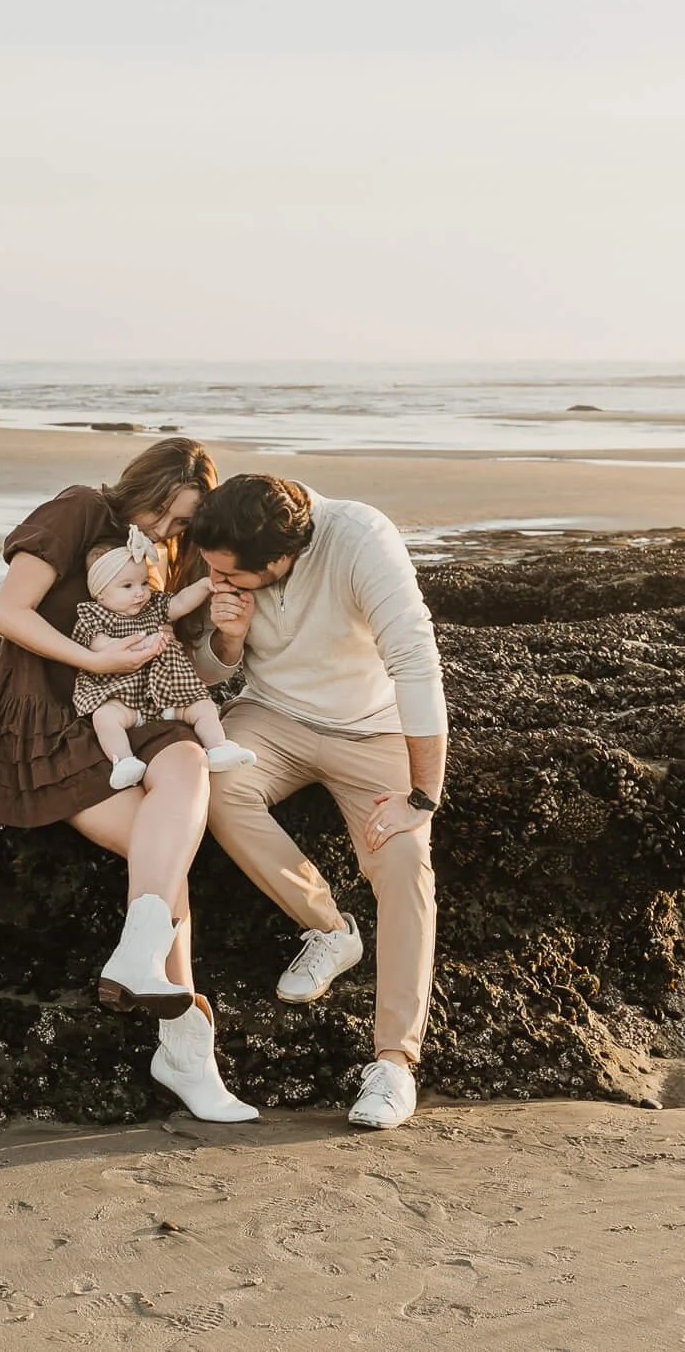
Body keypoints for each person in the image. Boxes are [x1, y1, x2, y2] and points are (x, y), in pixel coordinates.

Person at [0, 438, 257, 1123]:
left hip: (140, 712)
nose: (165, 530)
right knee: (168, 858)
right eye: (163, 512)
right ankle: (186, 1046)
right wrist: (92, 665)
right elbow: (8, 613)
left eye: (182, 522)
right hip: (53, 720)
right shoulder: (79, 510)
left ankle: (138, 952)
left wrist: (231, 638)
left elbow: (180, 662)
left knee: (187, 762)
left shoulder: (174, 555)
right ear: (141, 487)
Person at [190, 475, 446, 1130]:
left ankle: (393, 1062)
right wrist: (226, 636)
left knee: (403, 857)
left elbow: (416, 661)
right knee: (211, 783)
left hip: (372, 726)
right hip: (272, 714)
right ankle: (331, 930)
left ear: (278, 561)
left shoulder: (361, 540)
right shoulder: (230, 535)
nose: (212, 577)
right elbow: (211, 672)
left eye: (227, 573)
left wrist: (423, 793)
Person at [70, 543, 256, 790]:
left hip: (169, 694)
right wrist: (141, 643)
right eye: (127, 586)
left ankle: (218, 748)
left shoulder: (153, 606)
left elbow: (179, 603)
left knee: (203, 706)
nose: (140, 592)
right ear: (100, 593)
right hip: (124, 697)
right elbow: (100, 645)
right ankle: (123, 761)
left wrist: (203, 586)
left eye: (144, 583)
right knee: (104, 717)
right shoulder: (94, 616)